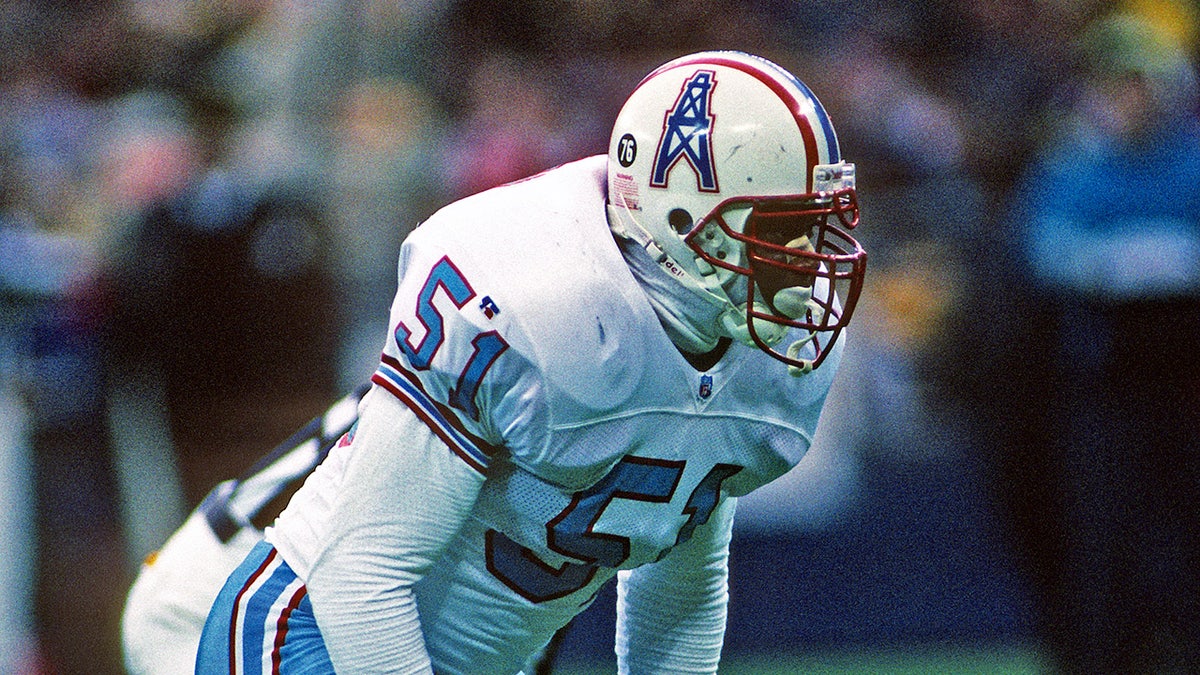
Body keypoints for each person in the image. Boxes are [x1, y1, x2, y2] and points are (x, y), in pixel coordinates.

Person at [194, 50, 866, 674]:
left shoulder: (770, 352)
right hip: (313, 639)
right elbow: (362, 569)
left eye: (815, 227)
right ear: (686, 222)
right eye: (782, 230)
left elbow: (683, 584)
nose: (809, 265)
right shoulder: (532, 298)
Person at [1008, 12, 1200, 672]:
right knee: (1103, 528)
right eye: (1119, 85)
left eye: (1142, 83)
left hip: (1186, 386)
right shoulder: (1073, 168)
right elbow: (1047, 253)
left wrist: (1130, 259)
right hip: (1104, 382)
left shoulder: (1192, 159)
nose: (1132, 98)